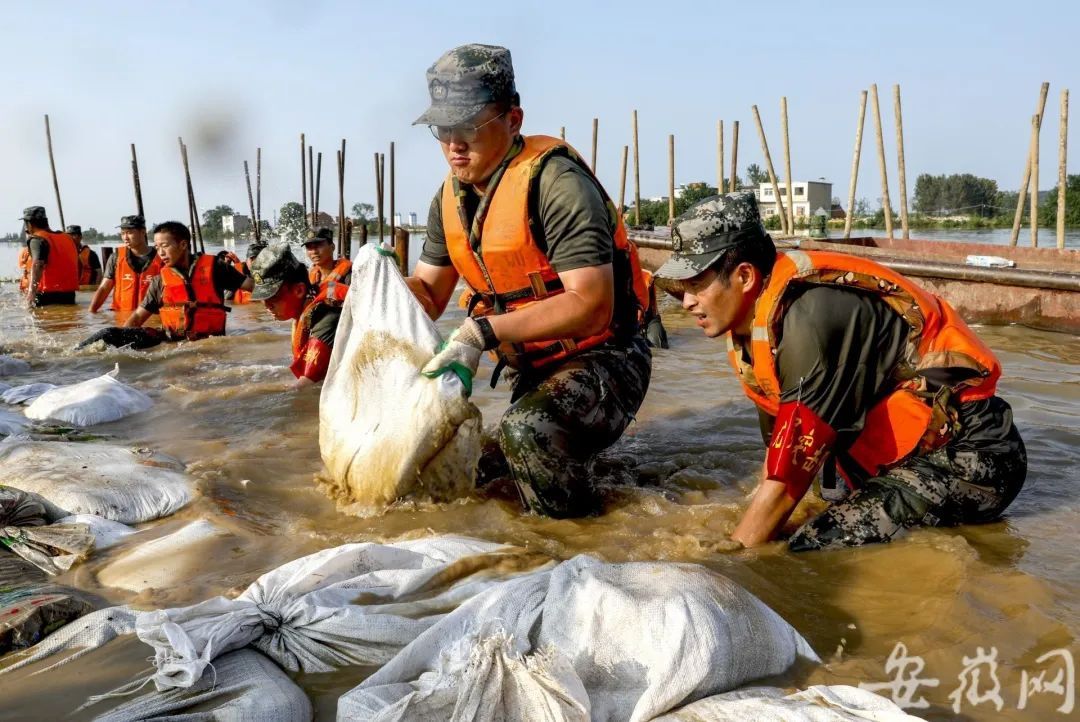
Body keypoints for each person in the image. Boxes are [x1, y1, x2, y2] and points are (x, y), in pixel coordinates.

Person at [653, 193, 1027, 551]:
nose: (686, 302)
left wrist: (733, 556)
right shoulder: (754, 329)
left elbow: (786, 484)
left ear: (746, 277)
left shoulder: (809, 319)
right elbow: (779, 456)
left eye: (697, 285)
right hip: (902, 461)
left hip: (972, 458)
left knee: (809, 547)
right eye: (681, 289)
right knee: (786, 527)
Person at [406, 44, 653, 518]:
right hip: (540, 368)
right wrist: (378, 287)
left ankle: (573, 553)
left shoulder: (556, 183)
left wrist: (483, 332)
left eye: (470, 126)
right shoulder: (448, 200)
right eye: (443, 129)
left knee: (529, 432)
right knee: (479, 471)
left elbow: (591, 304)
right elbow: (431, 294)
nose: (454, 144)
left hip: (609, 357)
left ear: (513, 120)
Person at [78, 221, 258, 349]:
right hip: (172, 343)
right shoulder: (160, 281)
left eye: (164, 246)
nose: (160, 253)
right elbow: (137, 318)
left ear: (183, 244)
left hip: (212, 344)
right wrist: (120, 343)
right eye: (156, 247)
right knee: (108, 335)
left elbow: (252, 286)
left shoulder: (215, 268)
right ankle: (75, 356)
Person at [249, 243, 347, 387]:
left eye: (273, 298)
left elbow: (306, 386)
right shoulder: (310, 306)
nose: (267, 306)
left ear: (299, 290)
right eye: (263, 299)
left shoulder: (327, 314)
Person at [88, 215, 161, 314]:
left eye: (130, 233)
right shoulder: (116, 257)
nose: (125, 238)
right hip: (122, 315)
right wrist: (91, 312)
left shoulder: (161, 257)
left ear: (143, 232)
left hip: (151, 316)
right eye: (123, 233)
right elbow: (104, 288)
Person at [18, 206, 79, 307]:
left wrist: (31, 294)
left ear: (29, 223)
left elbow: (38, 265)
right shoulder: (67, 238)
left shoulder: (37, 239)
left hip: (46, 296)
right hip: (69, 295)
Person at [303, 226, 352, 292]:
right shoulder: (307, 278)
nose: (314, 251)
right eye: (309, 247)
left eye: (319, 245)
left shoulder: (349, 277)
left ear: (332, 247)